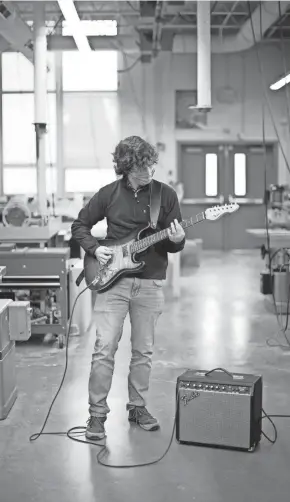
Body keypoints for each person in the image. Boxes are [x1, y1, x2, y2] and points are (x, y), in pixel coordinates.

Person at [71, 136, 185, 440]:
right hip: (111, 281)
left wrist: (177, 239)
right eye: (141, 166)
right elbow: (80, 226)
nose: (149, 171)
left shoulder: (166, 195)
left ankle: (137, 407)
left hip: (149, 283)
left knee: (143, 350)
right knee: (104, 348)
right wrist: (95, 249)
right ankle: (96, 415)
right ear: (126, 167)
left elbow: (176, 245)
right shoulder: (108, 194)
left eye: (151, 164)